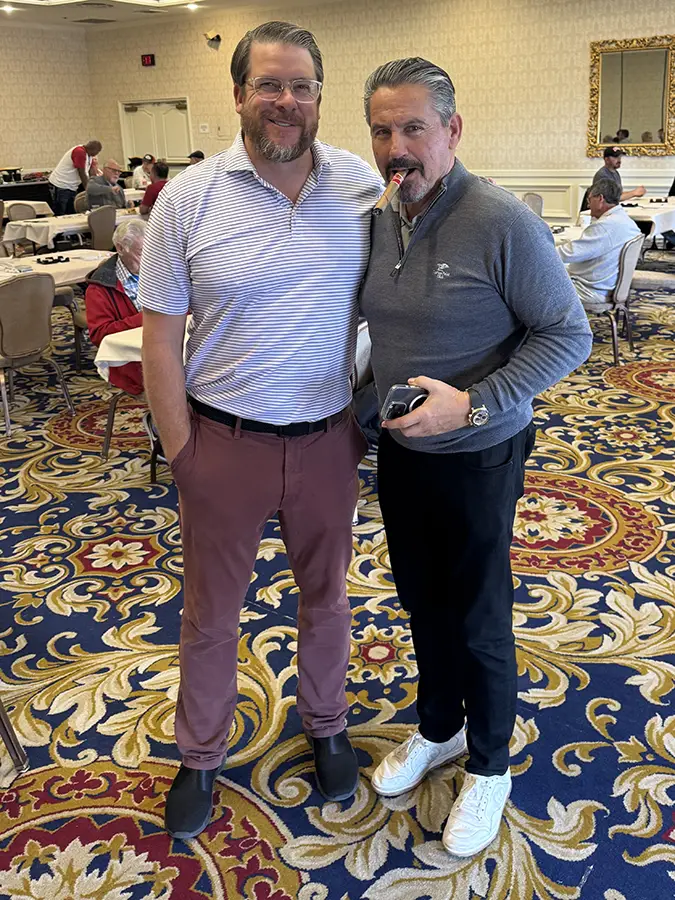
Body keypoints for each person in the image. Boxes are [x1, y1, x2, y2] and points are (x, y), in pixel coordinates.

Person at [138, 20, 382, 841]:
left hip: (327, 441)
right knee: (211, 613)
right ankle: (200, 753)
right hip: (222, 443)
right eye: (269, 84)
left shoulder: (360, 188)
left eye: (301, 86)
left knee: (328, 598)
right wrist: (182, 453)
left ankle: (326, 722)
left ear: (319, 96)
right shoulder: (188, 198)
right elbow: (160, 339)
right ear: (239, 93)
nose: (286, 101)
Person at [359, 57, 592, 858]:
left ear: (452, 130)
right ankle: (440, 729)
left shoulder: (499, 220)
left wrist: (476, 403)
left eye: (413, 128)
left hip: (480, 452)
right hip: (401, 452)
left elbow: (567, 334)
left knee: (478, 615)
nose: (396, 147)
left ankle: (490, 762)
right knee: (421, 601)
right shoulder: (377, 218)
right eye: (381, 130)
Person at [558, 179, 641, 311]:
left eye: (589, 199)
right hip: (608, 285)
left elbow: (568, 254)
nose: (588, 204)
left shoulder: (605, 226)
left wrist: (540, 251)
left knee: (534, 285)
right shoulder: (627, 221)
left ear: (600, 199)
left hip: (590, 290)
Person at [85, 218, 146, 395]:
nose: (150, 259)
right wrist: (148, 318)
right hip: (134, 361)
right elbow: (100, 334)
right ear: (120, 249)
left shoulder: (161, 270)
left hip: (170, 346)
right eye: (142, 252)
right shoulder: (100, 287)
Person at [48, 139, 102, 215]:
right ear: (93, 149)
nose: (97, 154)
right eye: (97, 152)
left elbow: (90, 172)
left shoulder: (89, 155)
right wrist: (89, 190)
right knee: (60, 212)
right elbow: (81, 173)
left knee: (71, 212)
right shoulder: (79, 152)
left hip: (72, 186)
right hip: (61, 185)